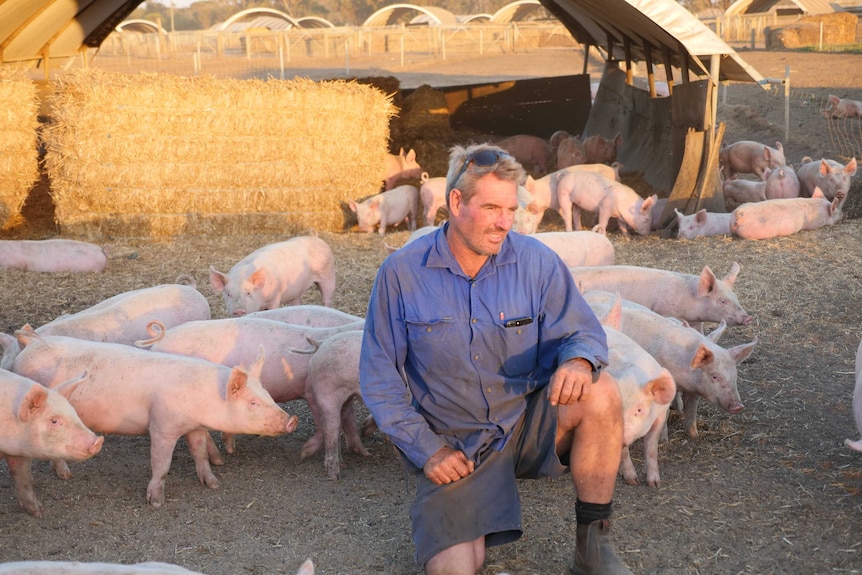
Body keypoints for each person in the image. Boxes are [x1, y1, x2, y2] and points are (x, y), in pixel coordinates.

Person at [359, 142, 633, 575]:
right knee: (455, 568)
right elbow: (379, 381)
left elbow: (582, 331)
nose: (505, 222)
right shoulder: (401, 274)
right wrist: (428, 451)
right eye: (491, 208)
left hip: (524, 423)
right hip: (454, 444)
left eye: (511, 208)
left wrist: (578, 361)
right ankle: (469, 518)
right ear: (455, 202)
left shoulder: (536, 262)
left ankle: (593, 546)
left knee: (601, 391)